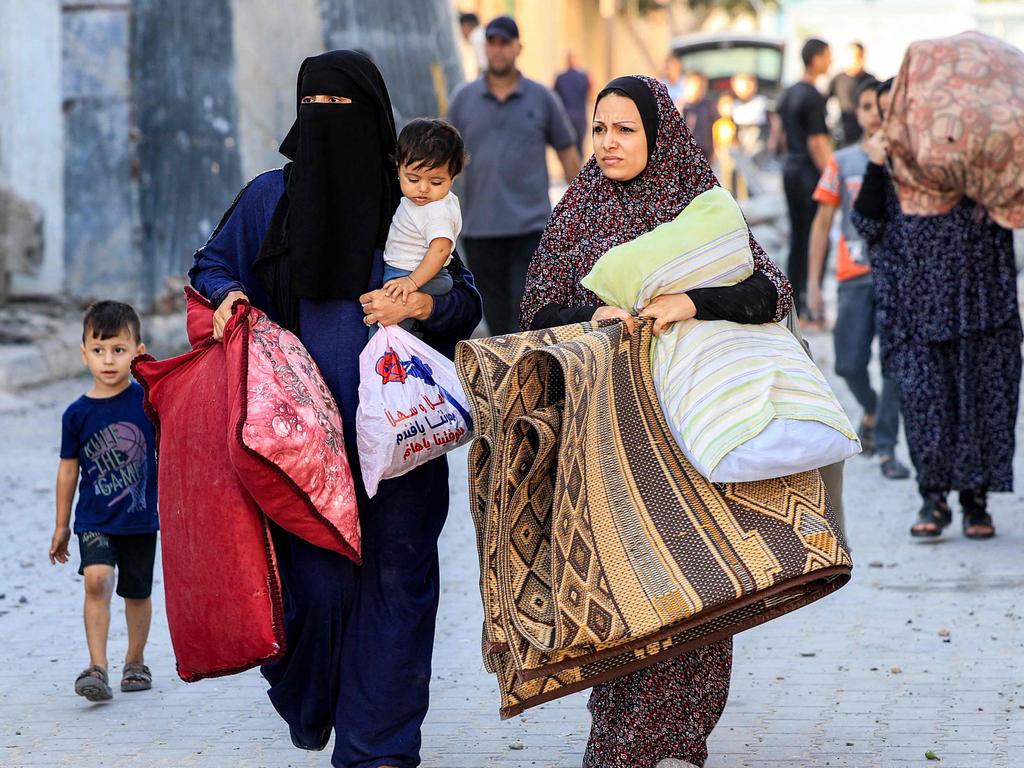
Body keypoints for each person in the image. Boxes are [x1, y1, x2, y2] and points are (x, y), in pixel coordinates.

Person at [188, 50, 482, 768]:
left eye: (343, 111)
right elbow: (211, 265)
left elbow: (465, 299)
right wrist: (230, 297)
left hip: (400, 445)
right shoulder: (272, 199)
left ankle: (376, 749)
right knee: (314, 594)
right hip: (299, 448)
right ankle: (310, 699)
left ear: (377, 120)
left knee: (396, 586)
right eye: (315, 109)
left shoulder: (413, 200)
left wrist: (422, 301)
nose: (328, 125)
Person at [520, 74, 793, 768]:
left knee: (696, 578)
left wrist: (691, 302)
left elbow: (773, 291)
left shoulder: (700, 205)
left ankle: (670, 740)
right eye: (600, 129)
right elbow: (537, 308)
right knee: (622, 583)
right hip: (607, 432)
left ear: (659, 133)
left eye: (625, 130)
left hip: (695, 427)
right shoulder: (579, 207)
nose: (608, 143)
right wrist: (593, 315)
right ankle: (624, 738)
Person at [850, 80, 1021, 541]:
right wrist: (874, 164)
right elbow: (866, 222)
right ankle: (934, 499)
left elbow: (1010, 204)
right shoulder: (889, 166)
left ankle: (975, 503)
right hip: (914, 309)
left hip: (978, 305)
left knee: (979, 403)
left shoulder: (970, 157)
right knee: (926, 407)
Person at [49, 301, 158, 702]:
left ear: (138, 352)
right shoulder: (76, 414)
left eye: (119, 350)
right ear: (83, 354)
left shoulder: (149, 402)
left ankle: (135, 660)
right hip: (93, 518)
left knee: (136, 592)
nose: (108, 360)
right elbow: (67, 472)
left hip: (140, 519)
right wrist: (61, 526)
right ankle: (97, 666)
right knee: (96, 580)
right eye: (98, 350)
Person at [448, 15, 581, 335]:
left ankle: (533, 382)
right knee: (495, 321)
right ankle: (509, 384)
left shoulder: (542, 97)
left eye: (504, 43)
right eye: (492, 42)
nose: (497, 50)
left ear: (518, 48)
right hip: (480, 230)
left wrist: (581, 212)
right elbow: (446, 160)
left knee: (527, 315)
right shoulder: (463, 99)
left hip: (531, 229)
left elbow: (567, 151)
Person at [807, 78, 910, 480]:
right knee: (849, 362)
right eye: (867, 107)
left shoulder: (907, 159)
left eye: (881, 108)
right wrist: (813, 283)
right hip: (853, 276)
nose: (875, 115)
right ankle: (869, 408)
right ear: (859, 113)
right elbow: (821, 224)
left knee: (894, 365)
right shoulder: (843, 161)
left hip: (897, 276)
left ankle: (886, 448)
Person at [378, 118, 466, 335]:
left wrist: (411, 281)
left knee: (386, 333)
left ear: (453, 178)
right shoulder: (428, 202)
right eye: (413, 179)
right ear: (398, 168)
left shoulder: (436, 210)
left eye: (436, 182)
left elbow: (441, 249)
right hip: (412, 274)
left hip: (419, 275)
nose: (423, 189)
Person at [776, 38, 833, 319]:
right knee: (817, 238)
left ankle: (793, 305)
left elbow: (781, 137)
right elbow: (817, 143)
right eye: (827, 56)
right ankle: (813, 307)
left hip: (790, 170)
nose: (830, 62)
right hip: (809, 173)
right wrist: (833, 177)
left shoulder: (789, 93)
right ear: (816, 59)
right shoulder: (812, 95)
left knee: (798, 238)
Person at [828, 42, 876, 147]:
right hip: (845, 133)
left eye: (859, 56)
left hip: (866, 134)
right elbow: (823, 101)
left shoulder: (870, 80)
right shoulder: (838, 79)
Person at [554, 50, 593, 157]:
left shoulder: (560, 78)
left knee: (568, 146)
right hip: (579, 116)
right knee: (579, 147)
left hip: (566, 116)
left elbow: (554, 96)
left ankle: (571, 172)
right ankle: (579, 171)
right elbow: (592, 95)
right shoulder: (584, 77)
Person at [730, 73, 768, 158]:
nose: (749, 88)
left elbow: (773, 120)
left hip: (757, 141)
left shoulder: (760, 101)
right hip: (739, 143)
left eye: (751, 85)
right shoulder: (733, 104)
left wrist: (773, 140)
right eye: (745, 86)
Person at [680, 71, 717, 160]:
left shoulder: (708, 106)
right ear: (686, 86)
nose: (700, 90)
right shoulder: (681, 107)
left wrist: (715, 148)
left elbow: (715, 127)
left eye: (703, 87)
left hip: (706, 150)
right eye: (697, 86)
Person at [458, 12, 486, 80]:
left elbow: (483, 66)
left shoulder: (476, 37)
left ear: (465, 26)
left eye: (461, 28)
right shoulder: (482, 33)